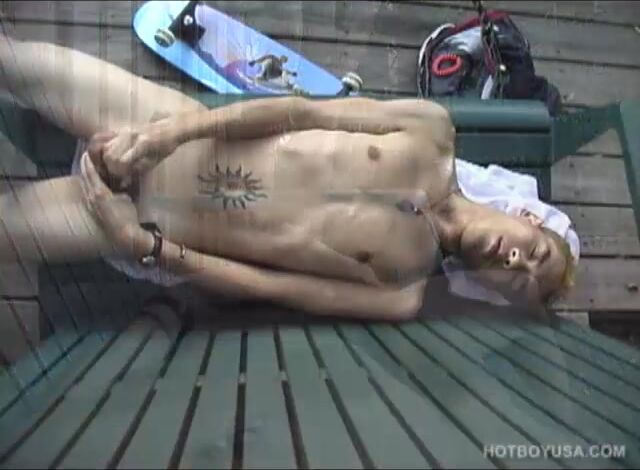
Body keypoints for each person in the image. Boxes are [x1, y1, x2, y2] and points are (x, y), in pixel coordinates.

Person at [0, 38, 578, 321]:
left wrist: (142, 246)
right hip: (155, 121)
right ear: (527, 218)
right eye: (534, 253)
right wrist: (165, 136)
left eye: (519, 283)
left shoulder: (402, 295)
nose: (515, 263)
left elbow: (268, 286)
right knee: (12, 59)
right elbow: (298, 112)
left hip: (144, 222)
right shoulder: (430, 132)